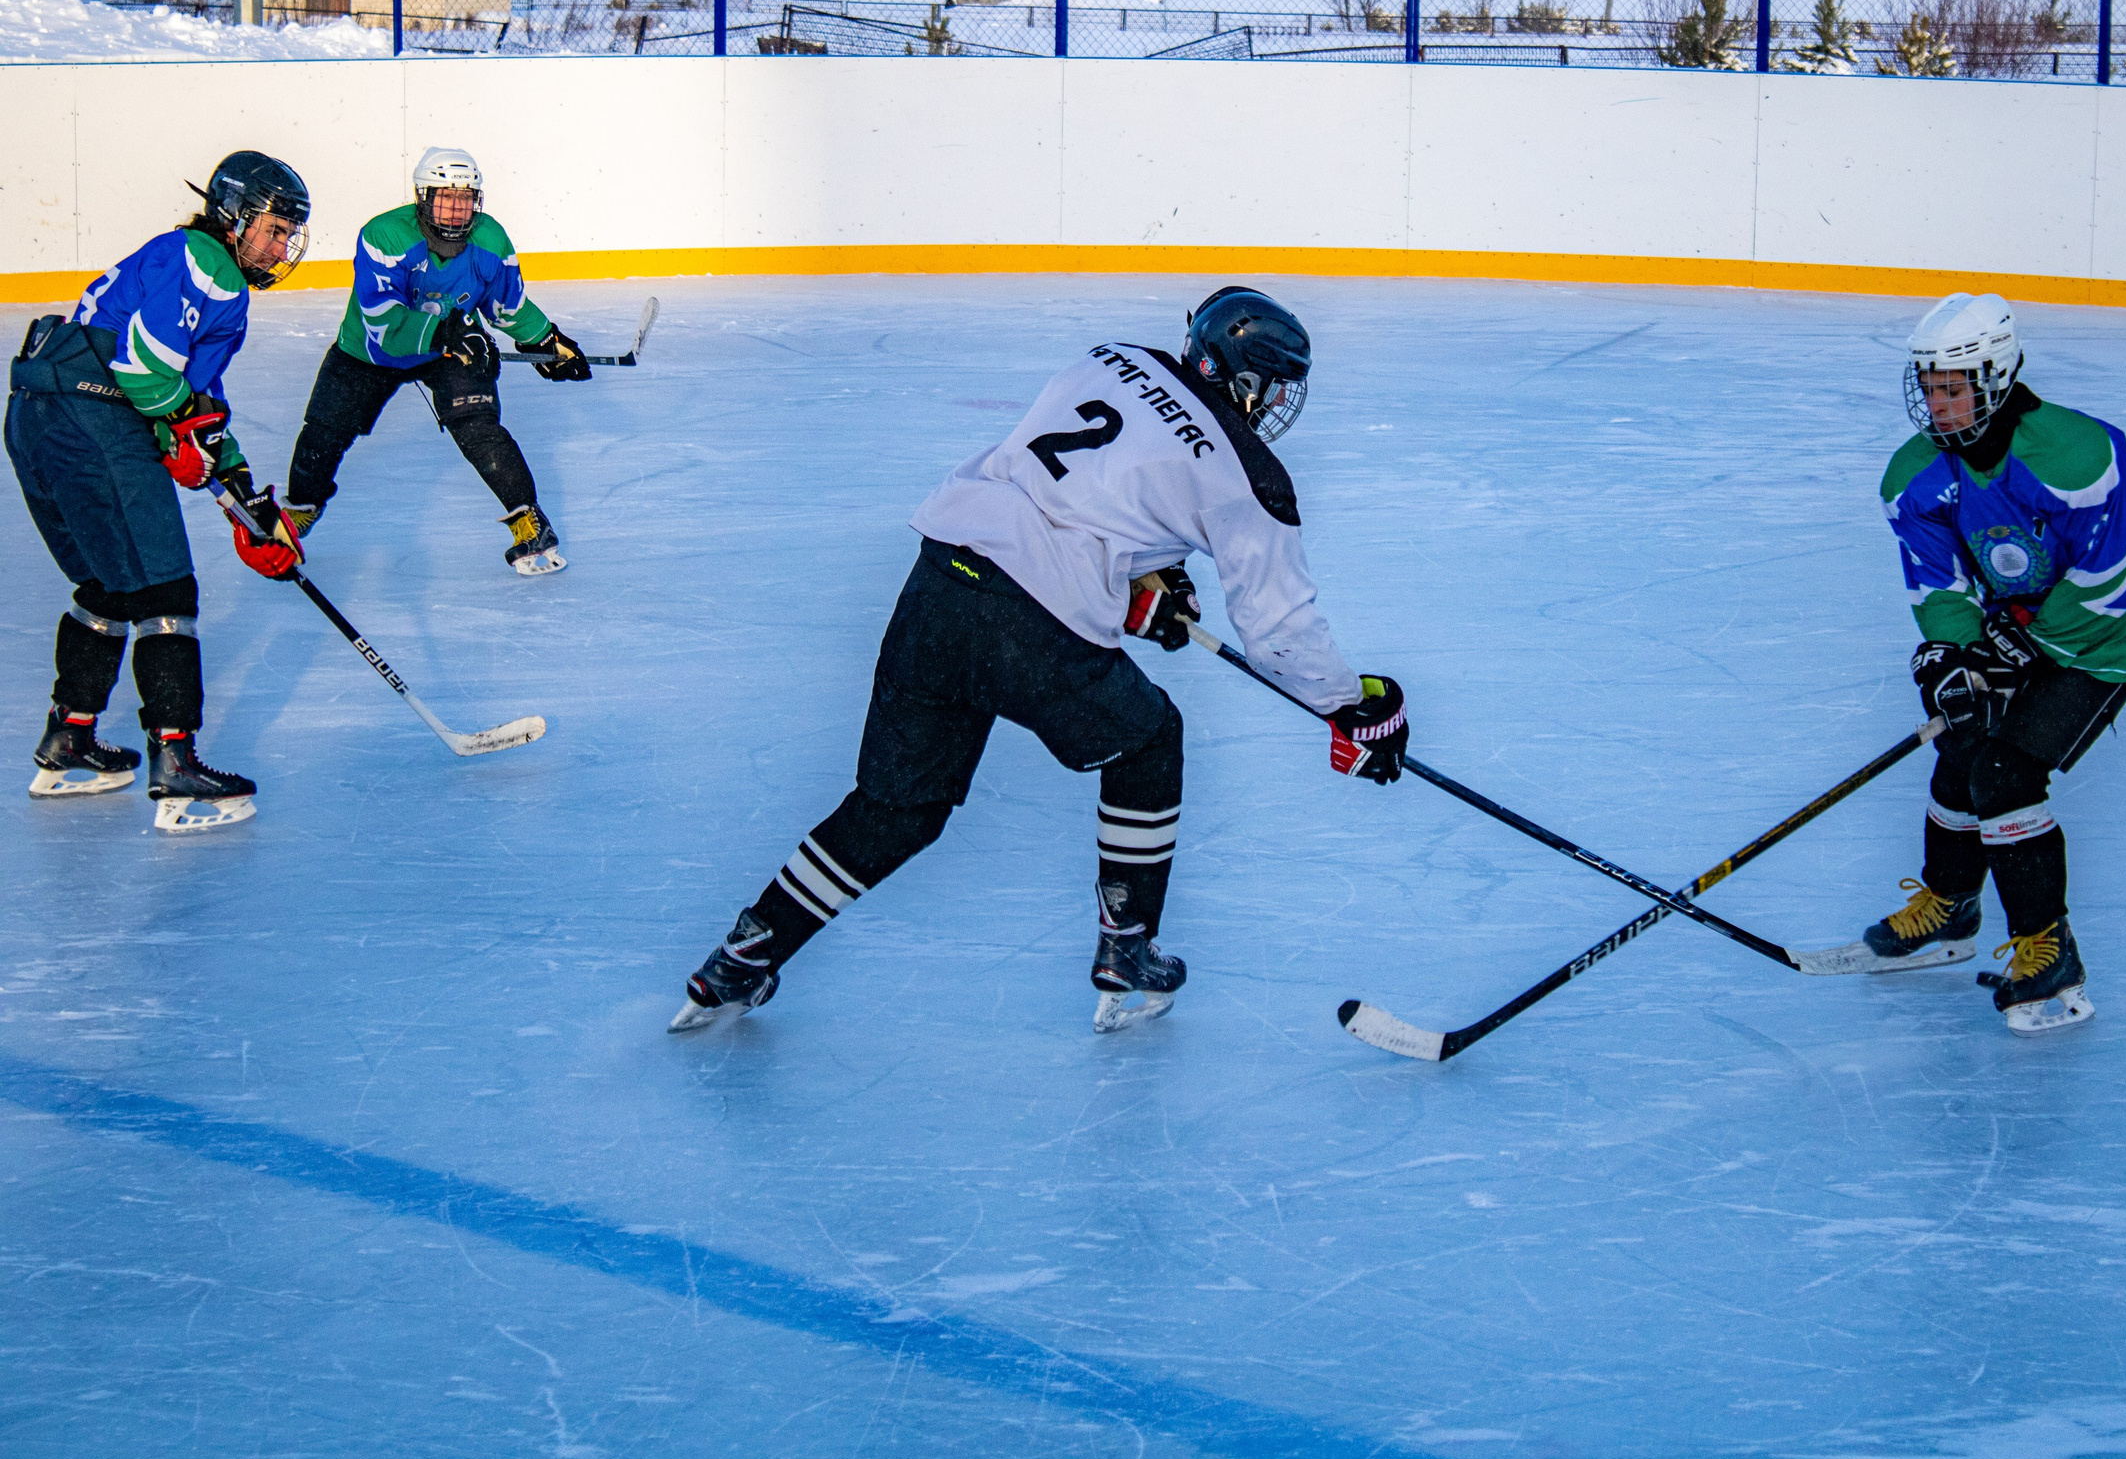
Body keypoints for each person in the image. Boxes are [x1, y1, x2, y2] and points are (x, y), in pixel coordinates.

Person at [668, 287, 1411, 1036]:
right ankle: (1127, 948)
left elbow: (1077, 491)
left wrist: (1134, 583)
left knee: (898, 809)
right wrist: (1355, 706)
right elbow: (1280, 636)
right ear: (1249, 381)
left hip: (941, 580)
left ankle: (747, 949)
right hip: (1035, 624)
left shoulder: (1111, 359)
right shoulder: (1249, 473)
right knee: (1149, 741)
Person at [1862, 293, 2126, 1035]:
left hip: (2093, 651)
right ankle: (1950, 906)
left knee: (2005, 773)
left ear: (1994, 377)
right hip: (2008, 634)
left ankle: (2047, 949)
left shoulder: (2080, 456)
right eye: (1928, 387)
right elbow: (1938, 585)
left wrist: (2022, 649)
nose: (1937, 402)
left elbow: (2111, 582)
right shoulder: (1915, 477)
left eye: (1952, 386)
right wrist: (1951, 658)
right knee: (1959, 735)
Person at [7, 150, 311, 832]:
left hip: (40, 409)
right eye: (271, 227)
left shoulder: (190, 259)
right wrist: (184, 435)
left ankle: (70, 741)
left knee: (113, 585)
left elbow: (193, 398)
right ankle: (175, 763)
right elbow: (145, 372)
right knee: (166, 591)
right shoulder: (210, 266)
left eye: (289, 233)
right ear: (232, 217)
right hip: (92, 415)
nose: (281, 244)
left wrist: (241, 492)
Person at [282, 147, 591, 575]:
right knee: (324, 432)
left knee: (480, 427)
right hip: (371, 351)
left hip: (453, 345)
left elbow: (507, 305)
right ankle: (299, 511)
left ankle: (528, 521)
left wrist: (546, 342)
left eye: (465, 198)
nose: (455, 209)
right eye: (445, 197)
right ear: (422, 197)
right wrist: (449, 333)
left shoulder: (490, 241)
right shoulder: (384, 235)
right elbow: (383, 325)